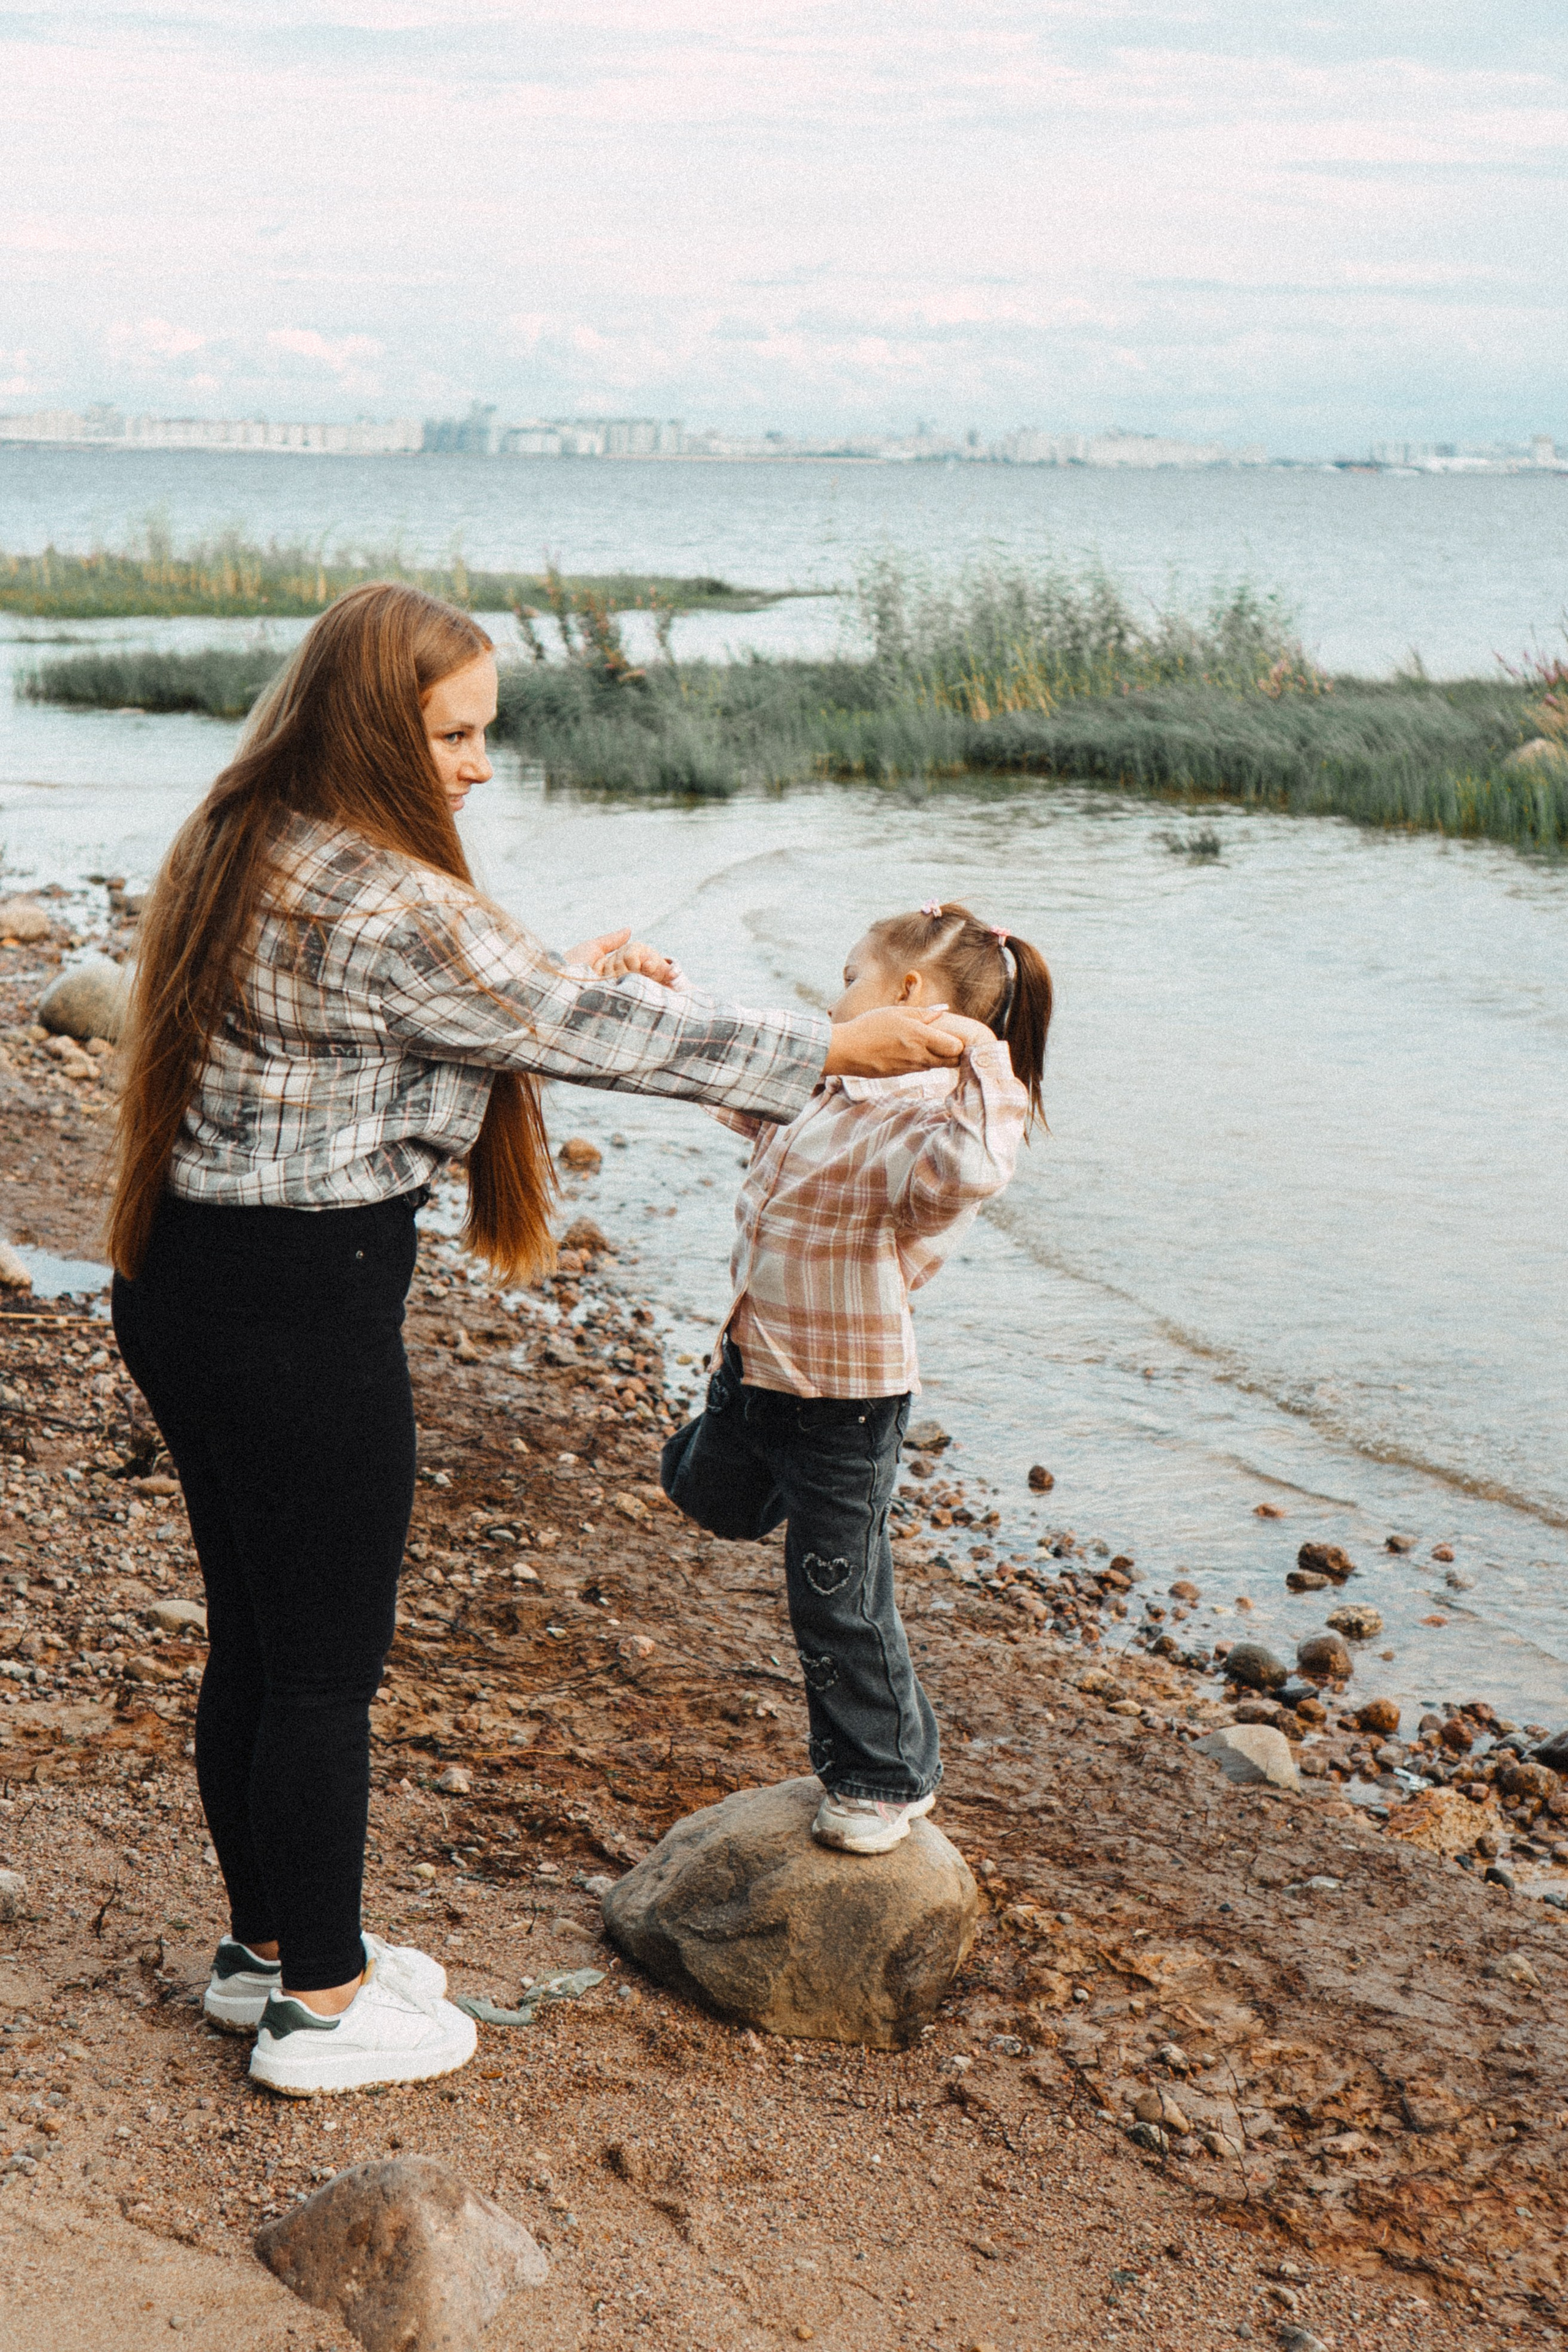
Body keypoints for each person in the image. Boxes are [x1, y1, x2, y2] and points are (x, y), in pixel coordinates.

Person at [107, 583, 968, 2098]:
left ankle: (267, 1955)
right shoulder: (382, 892)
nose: (479, 766)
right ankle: (320, 2003)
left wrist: (578, 986)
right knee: (318, 1670)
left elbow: (477, 1009)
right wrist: (828, 1048)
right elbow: (556, 1024)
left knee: (258, 1639)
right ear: (374, 725)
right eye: (455, 734)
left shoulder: (254, 836)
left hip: (192, 1285)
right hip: (296, 1317)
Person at [660, 900, 1052, 1855]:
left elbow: (978, 1169)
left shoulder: (928, 1128)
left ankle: (885, 1778)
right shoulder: (823, 1089)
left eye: (848, 979)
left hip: (845, 1402)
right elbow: (732, 1079)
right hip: (753, 1371)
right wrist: (661, 996)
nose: (833, 1000)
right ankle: (809, 1514)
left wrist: (973, 1049)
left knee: (836, 1595)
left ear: (909, 995)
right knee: (703, 1492)